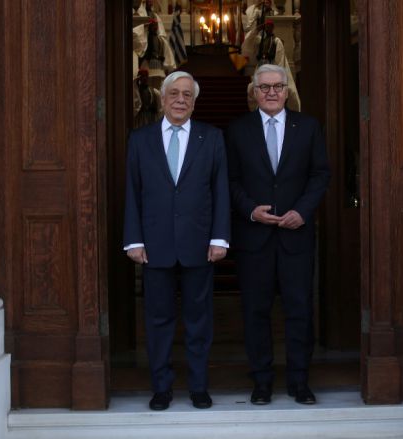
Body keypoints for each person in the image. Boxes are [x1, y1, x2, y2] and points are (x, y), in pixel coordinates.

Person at [124, 71, 231, 411]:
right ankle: (162, 388)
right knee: (158, 321)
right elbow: (132, 193)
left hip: (199, 245)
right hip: (154, 247)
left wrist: (220, 238)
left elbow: (221, 191)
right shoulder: (140, 140)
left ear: (194, 102)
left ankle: (199, 387)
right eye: (175, 94)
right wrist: (133, 240)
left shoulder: (211, 138)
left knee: (200, 321)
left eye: (187, 94)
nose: (181, 100)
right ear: (163, 98)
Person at [225, 64, 330, 406]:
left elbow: (320, 175)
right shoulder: (238, 130)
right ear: (254, 92)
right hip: (254, 238)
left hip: (295, 237)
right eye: (264, 87)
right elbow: (230, 180)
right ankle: (262, 383)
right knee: (256, 312)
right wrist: (250, 209)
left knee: (299, 310)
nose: (271, 92)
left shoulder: (309, 127)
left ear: (287, 91)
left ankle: (300, 382)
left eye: (278, 87)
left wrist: (303, 210)